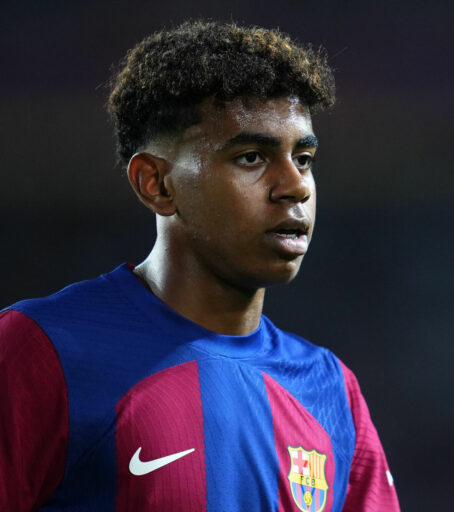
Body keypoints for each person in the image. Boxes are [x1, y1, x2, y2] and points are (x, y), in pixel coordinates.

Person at [0, 20, 399, 511]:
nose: (295, 186)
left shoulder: (330, 390)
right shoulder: (42, 351)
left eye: (303, 157)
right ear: (156, 184)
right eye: (251, 157)